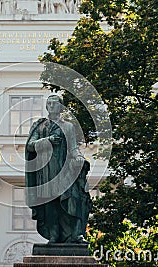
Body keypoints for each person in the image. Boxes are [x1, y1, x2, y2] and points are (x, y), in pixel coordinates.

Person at [25, 94, 91, 243]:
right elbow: (30, 145)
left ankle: (76, 234)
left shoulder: (68, 126)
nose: (51, 105)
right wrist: (48, 140)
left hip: (64, 170)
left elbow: (73, 149)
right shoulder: (40, 126)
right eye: (49, 103)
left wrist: (79, 157)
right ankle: (53, 235)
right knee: (50, 204)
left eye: (54, 103)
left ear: (61, 107)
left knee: (72, 200)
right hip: (46, 171)